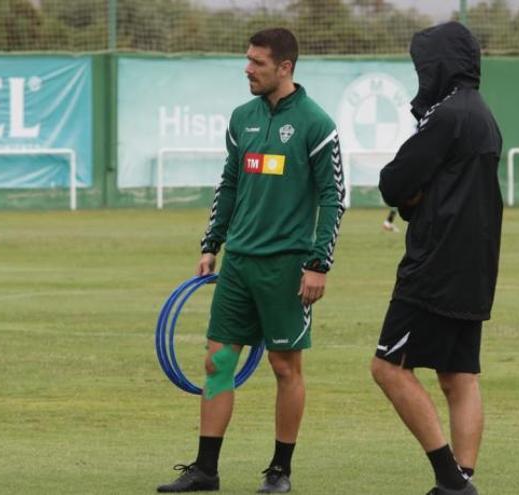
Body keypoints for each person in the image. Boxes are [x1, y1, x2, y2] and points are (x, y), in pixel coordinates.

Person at [157, 27, 345, 494]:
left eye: (257, 62)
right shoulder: (242, 118)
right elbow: (229, 186)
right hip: (239, 263)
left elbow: (334, 197)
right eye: (247, 59)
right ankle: (205, 470)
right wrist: (211, 245)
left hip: (287, 267)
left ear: (285, 67)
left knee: (285, 368)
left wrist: (319, 263)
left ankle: (279, 470)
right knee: (218, 363)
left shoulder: (316, 124)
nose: (247, 68)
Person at [371, 22, 503, 495]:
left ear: (438, 65)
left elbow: (395, 182)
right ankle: (462, 479)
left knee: (387, 366)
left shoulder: (446, 115)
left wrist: (411, 201)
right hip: (477, 265)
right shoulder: (484, 114)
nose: (419, 73)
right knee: (459, 375)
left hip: (435, 264)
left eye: (422, 65)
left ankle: (452, 481)